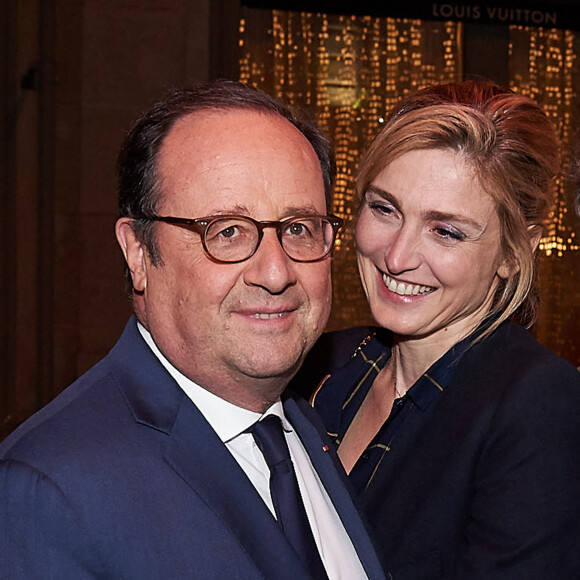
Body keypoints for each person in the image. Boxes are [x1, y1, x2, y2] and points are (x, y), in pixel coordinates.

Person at [0, 81, 385, 580]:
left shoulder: (303, 426)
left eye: (298, 228)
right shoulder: (48, 490)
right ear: (138, 254)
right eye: (226, 231)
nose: (275, 272)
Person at [292, 80, 580, 579]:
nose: (398, 257)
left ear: (515, 252)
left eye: (445, 231)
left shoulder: (538, 407)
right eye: (385, 209)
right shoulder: (324, 364)